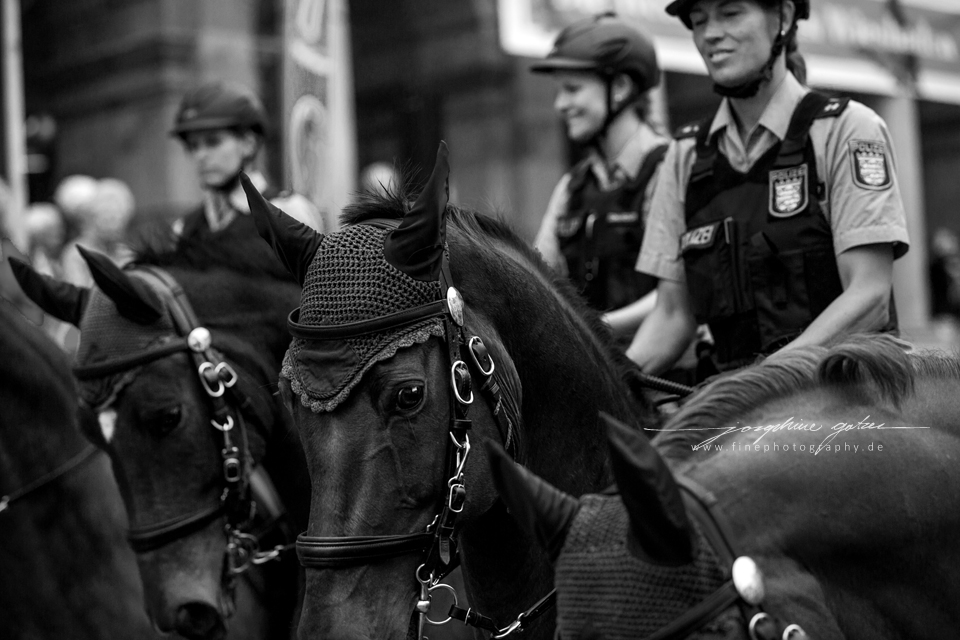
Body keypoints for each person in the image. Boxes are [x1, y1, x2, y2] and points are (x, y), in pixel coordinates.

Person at [627, 0, 909, 376]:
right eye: (698, 21)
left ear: (784, 17)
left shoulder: (847, 129)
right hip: (735, 414)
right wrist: (612, 386)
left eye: (731, 14)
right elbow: (673, 314)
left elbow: (869, 295)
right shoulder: (684, 155)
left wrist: (762, 382)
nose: (710, 34)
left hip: (848, 406)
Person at [531, 13, 668, 339]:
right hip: (597, 371)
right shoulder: (572, 187)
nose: (561, 104)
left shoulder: (669, 168)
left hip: (671, 379)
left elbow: (677, 295)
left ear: (620, 87)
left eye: (573, 89)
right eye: (558, 91)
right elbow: (539, 278)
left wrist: (590, 330)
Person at [170, 80, 323, 239]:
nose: (200, 155)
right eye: (193, 146)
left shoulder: (289, 213)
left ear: (249, 144)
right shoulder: (183, 229)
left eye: (213, 141)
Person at [60, 177, 136, 287]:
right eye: (107, 219)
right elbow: (79, 296)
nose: (114, 228)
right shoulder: (76, 253)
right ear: (93, 219)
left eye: (120, 220)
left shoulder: (126, 253)